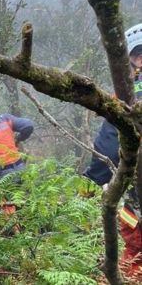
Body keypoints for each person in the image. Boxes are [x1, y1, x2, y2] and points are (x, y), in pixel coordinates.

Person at [84, 23, 142, 280]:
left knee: (135, 247)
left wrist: (91, 182)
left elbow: (109, 143)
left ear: (136, 58)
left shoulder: (129, 94)